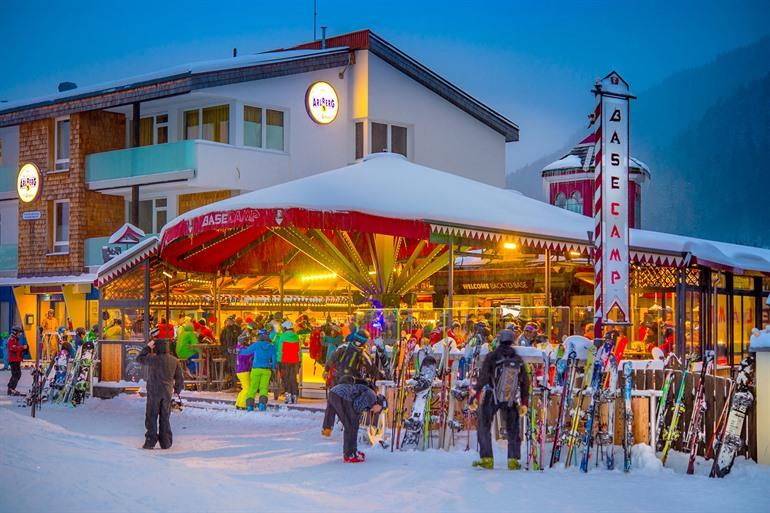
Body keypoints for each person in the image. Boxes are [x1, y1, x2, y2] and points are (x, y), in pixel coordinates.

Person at [471, 328, 529, 470]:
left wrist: (474, 396)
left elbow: (483, 378)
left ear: (499, 340)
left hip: (492, 396)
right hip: (510, 398)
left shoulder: (492, 356)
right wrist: (524, 403)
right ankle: (513, 460)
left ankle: (487, 459)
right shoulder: (517, 359)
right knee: (513, 429)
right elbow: (525, 382)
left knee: (484, 425)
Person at [137, 328, 184, 450]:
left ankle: (150, 441)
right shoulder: (174, 361)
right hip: (167, 392)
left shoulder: (153, 359)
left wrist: (147, 347)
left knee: (151, 415)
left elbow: (139, 358)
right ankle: (166, 442)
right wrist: (177, 390)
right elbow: (179, 379)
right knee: (165, 416)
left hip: (154, 391)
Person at [325, 383, 386, 463]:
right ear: (379, 404)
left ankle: (352, 452)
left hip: (336, 393)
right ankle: (349, 455)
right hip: (339, 395)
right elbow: (356, 406)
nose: (378, 412)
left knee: (352, 425)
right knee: (351, 426)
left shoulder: (371, 399)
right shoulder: (371, 398)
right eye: (381, 410)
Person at [241, 329, 277, 411]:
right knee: (264, 388)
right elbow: (274, 359)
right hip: (266, 370)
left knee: (253, 388)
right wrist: (273, 367)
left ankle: (250, 406)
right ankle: (262, 405)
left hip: (256, 369)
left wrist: (239, 350)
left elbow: (247, 352)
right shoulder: (271, 346)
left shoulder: (256, 344)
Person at [277, 320, 301, 404]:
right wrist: (299, 360)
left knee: (286, 378)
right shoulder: (296, 337)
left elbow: (280, 350)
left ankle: (288, 397)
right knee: (293, 378)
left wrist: (278, 360)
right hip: (295, 361)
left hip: (285, 360)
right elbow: (299, 351)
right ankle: (295, 396)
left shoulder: (282, 337)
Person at [221, 315, 241, 387]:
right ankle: (232, 381)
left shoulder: (235, 329)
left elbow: (238, 338)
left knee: (234, 365)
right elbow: (223, 340)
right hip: (229, 350)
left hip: (233, 349)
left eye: (230, 320)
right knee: (231, 365)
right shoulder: (226, 329)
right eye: (228, 320)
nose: (229, 322)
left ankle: (234, 381)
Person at [7, 327, 28, 395]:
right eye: (19, 333)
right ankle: (11, 389)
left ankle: (11, 388)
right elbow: (12, 348)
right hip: (13, 360)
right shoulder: (12, 339)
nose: (20, 334)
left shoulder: (15, 340)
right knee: (16, 374)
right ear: (15, 332)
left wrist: (24, 349)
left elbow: (17, 348)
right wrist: (22, 347)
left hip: (16, 359)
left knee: (17, 374)